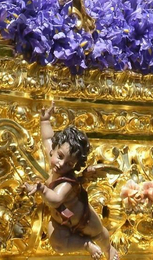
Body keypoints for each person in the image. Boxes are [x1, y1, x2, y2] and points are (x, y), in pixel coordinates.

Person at [24, 103, 117, 260]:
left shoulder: (67, 183)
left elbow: (55, 200)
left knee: (100, 233)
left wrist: (42, 188)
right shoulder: (53, 157)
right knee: (58, 244)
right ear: (54, 150)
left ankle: (108, 250)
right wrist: (45, 120)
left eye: (69, 164)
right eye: (60, 156)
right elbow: (47, 138)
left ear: (74, 166)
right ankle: (86, 245)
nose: (61, 164)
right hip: (62, 223)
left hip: (84, 220)